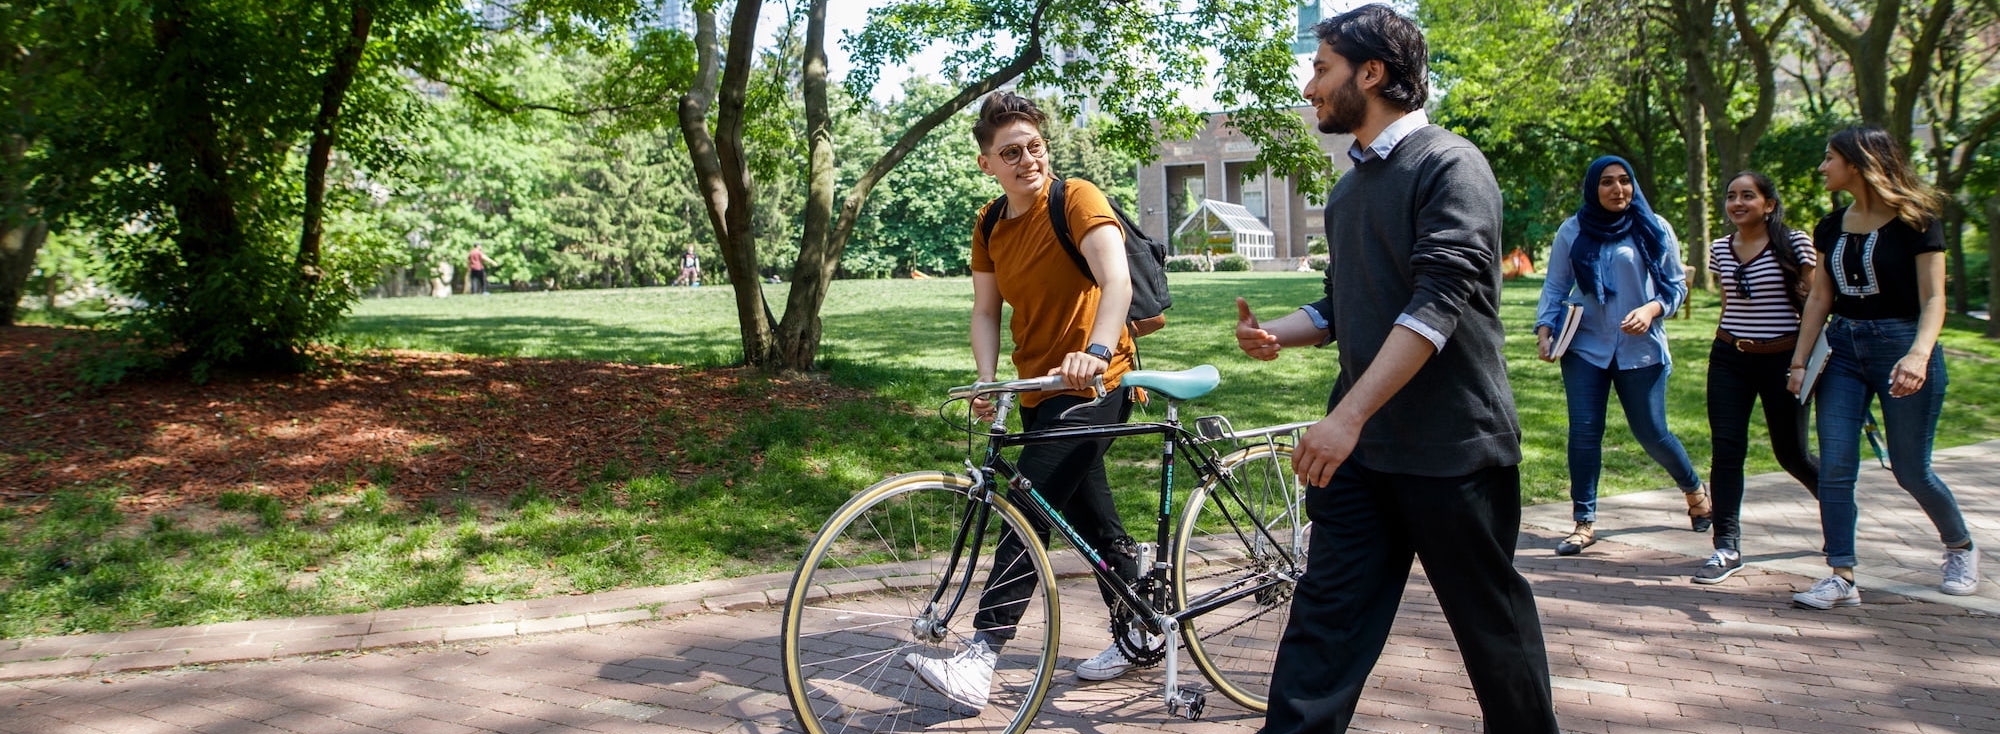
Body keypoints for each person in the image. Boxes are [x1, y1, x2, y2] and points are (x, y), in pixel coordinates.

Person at [1233, 6, 1557, 732]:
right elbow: (1351, 303)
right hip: (1365, 457)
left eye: (1321, 69)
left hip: (1452, 450)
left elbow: (1436, 306)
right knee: (1324, 626)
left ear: (1371, 73)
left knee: (1491, 633)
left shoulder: (1450, 164)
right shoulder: (1350, 188)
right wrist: (1279, 335)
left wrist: (1345, 417)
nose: (1310, 86)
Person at [902, 91, 1146, 711]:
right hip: (1038, 387)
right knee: (1090, 519)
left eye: (1034, 147)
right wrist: (988, 380)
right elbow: (985, 311)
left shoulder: (1078, 199)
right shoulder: (990, 224)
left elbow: (1115, 279)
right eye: (1010, 152)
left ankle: (982, 653)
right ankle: (1144, 622)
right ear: (987, 163)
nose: (1027, 160)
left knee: (1027, 507)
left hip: (1097, 383)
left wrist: (1094, 348)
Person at [1786, 125, 1981, 608]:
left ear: (1857, 162)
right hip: (1843, 350)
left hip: (1903, 344)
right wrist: (1799, 361)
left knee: (1911, 469)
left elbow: (1934, 298)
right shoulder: (1830, 226)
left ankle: (1960, 546)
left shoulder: (1918, 220)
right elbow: (1821, 300)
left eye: (1829, 158)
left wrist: (1918, 354)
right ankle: (1841, 575)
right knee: (1834, 465)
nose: (1822, 167)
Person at [1534, 155, 1707, 556]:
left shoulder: (1655, 227)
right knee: (1584, 432)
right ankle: (1583, 521)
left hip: (1640, 351)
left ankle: (1694, 489)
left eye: (1624, 181)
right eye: (1607, 182)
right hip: (1585, 347)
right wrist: (1545, 329)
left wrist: (1651, 310)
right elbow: (1556, 285)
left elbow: (1675, 287)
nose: (1617, 189)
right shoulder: (1573, 230)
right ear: (1593, 188)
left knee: (1652, 431)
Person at [1696, 171, 1821, 584]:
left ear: (1768, 204)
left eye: (1748, 196)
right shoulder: (1720, 249)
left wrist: (1803, 363)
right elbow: (1731, 303)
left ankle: (1837, 509)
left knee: (1792, 454)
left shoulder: (1795, 243)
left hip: (1783, 359)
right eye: (1731, 196)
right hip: (1730, 357)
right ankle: (1725, 547)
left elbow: (1817, 304)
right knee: (1727, 450)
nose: (1737, 203)